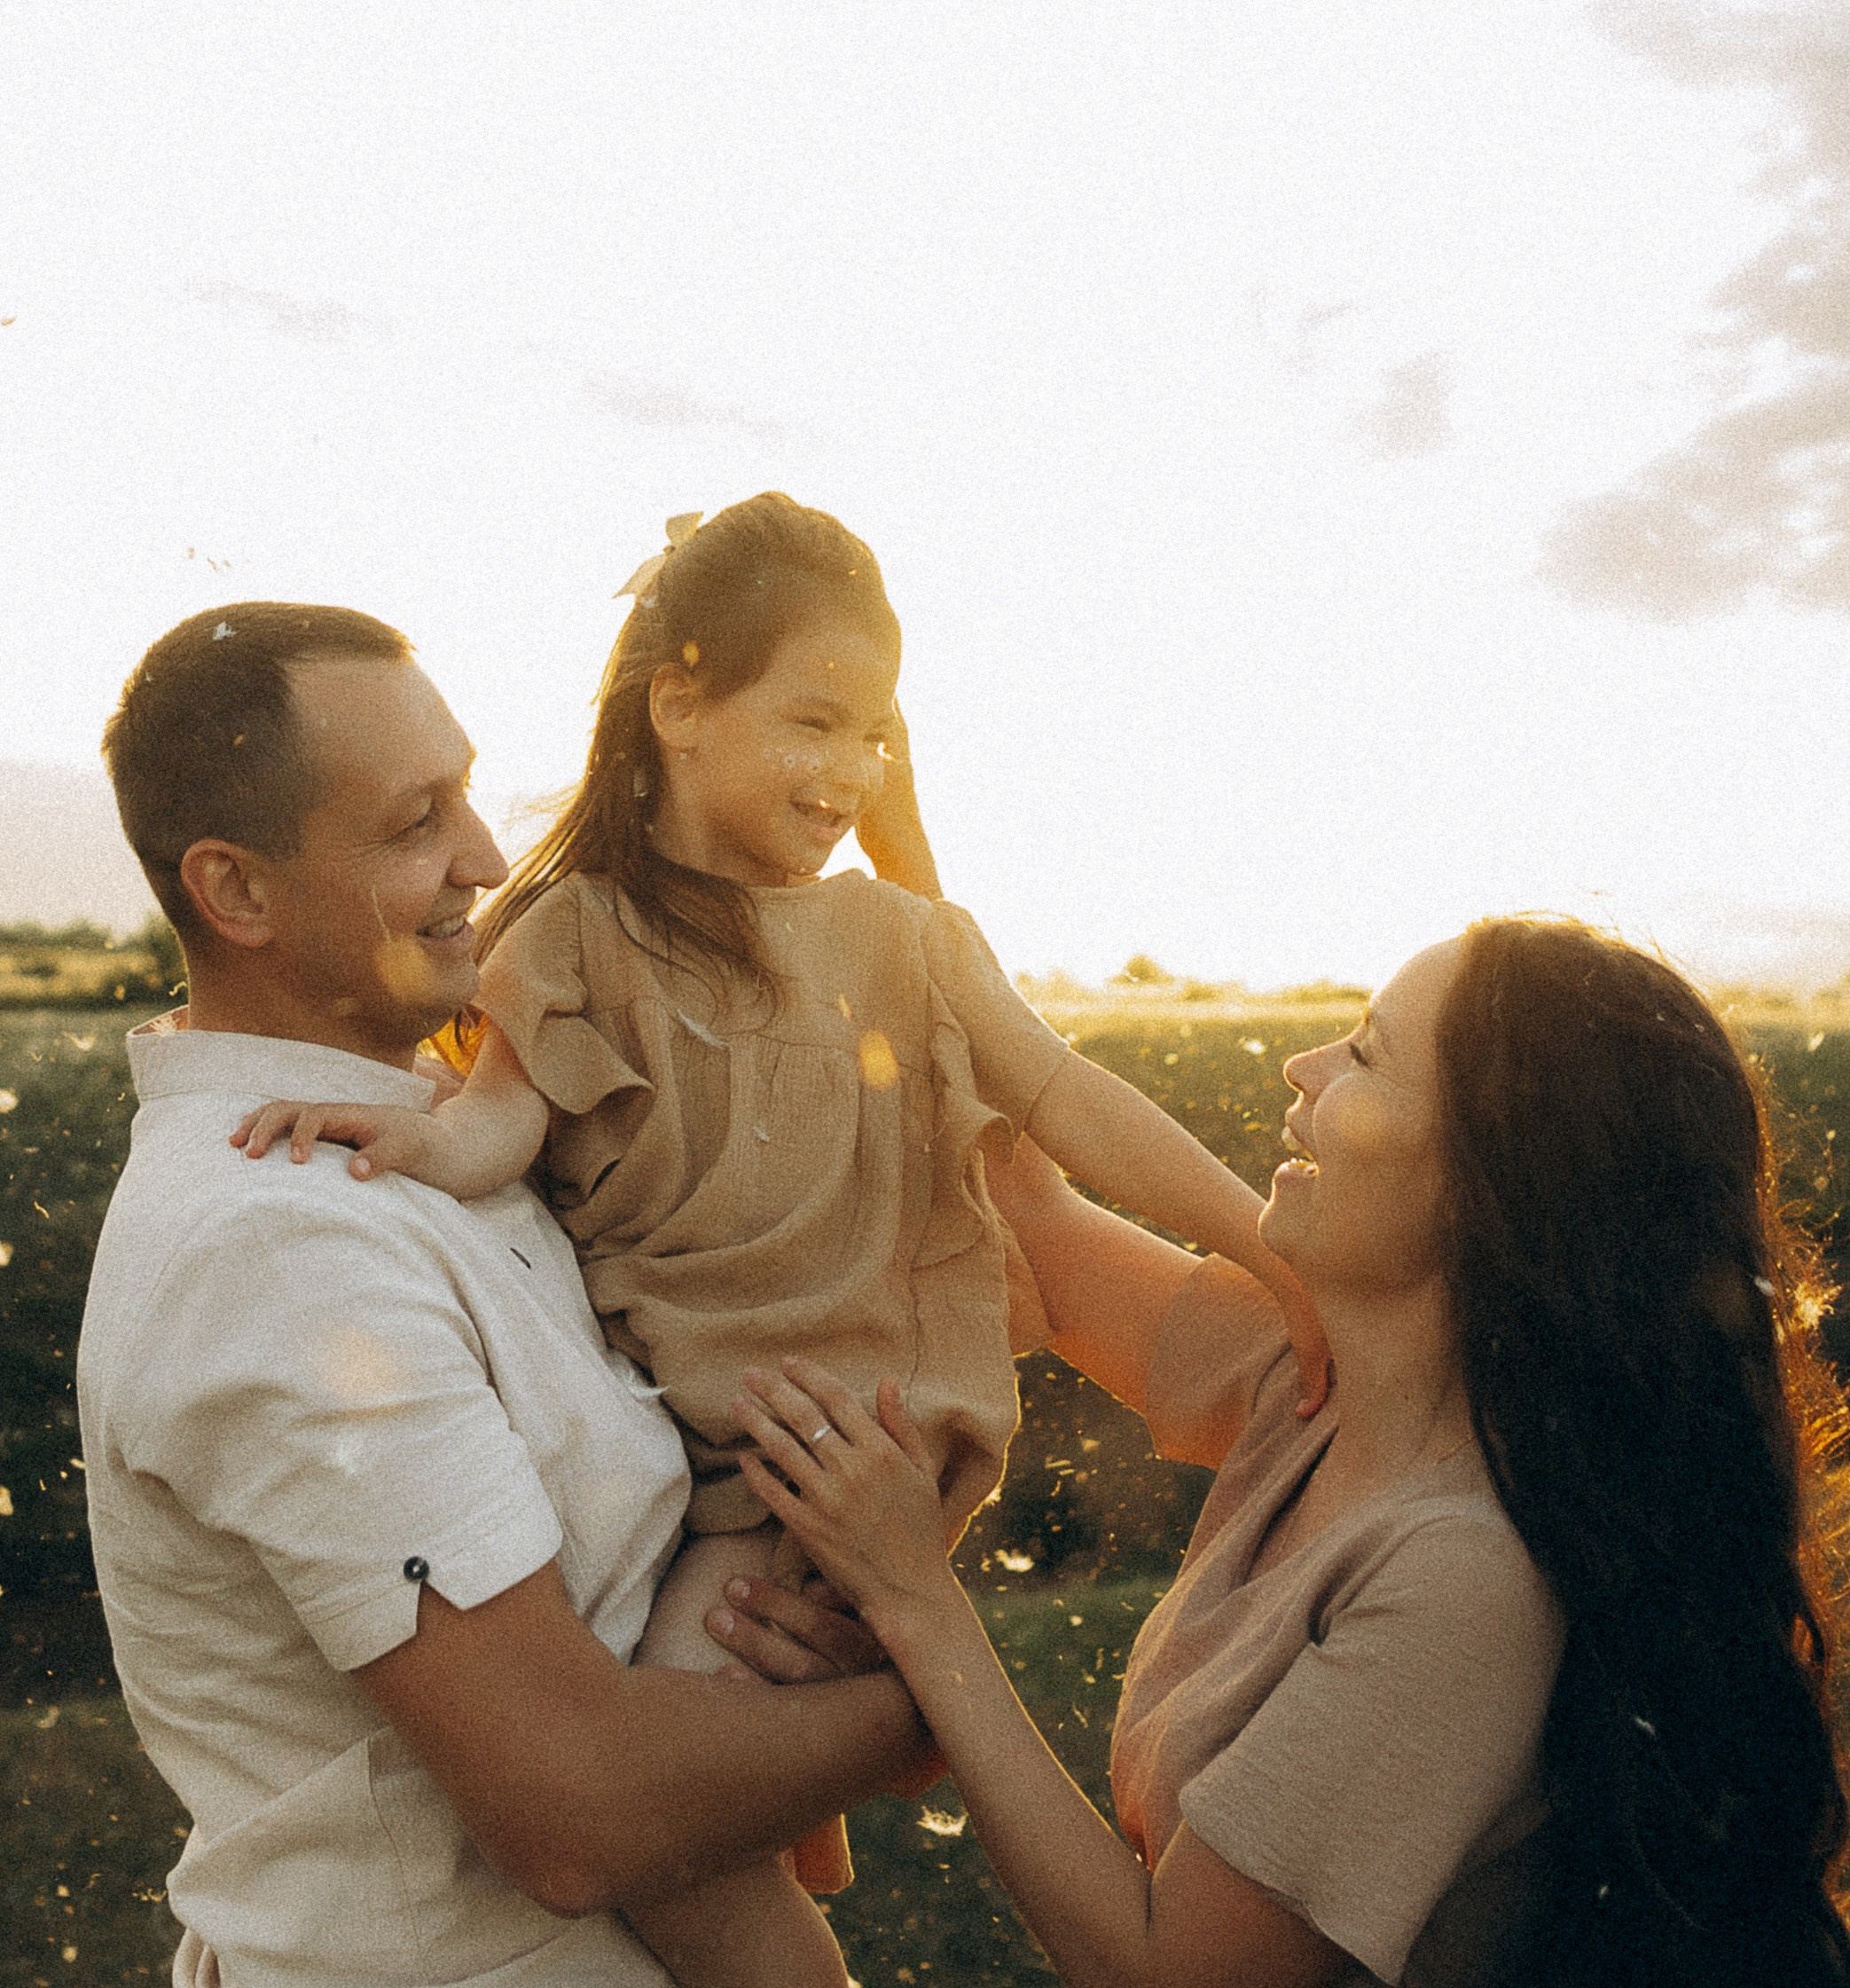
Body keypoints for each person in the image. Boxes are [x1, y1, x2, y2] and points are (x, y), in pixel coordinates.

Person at [229, 492, 1329, 1984]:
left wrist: (1267, 1247)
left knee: (661, 1838)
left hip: (827, 1447)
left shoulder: (907, 942)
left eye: (876, 736)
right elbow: (498, 1122)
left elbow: (1074, 1103)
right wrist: (398, 1137)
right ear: (679, 704)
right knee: (688, 1819)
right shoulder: (572, 934)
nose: (851, 770)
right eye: (815, 721)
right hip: (713, 1453)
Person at [723, 919, 1850, 1988]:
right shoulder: (1311, 1383)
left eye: (1363, 1054)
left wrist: (917, 1605)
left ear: (1489, 1181)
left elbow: (1165, 1973)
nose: (1300, 1066)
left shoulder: (1466, 1578)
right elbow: (1032, 1216)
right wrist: (893, 854)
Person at [79, 602, 936, 1988]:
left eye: (467, 792)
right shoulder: (275, 1243)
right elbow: (580, 1808)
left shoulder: (434, 1123)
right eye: (414, 822)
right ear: (236, 893)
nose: (483, 857)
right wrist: (924, 1694)